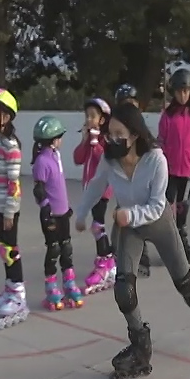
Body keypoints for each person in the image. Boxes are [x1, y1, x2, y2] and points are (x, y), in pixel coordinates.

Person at [74, 102, 190, 379]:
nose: (111, 139)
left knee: (182, 278)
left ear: (135, 134)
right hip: (128, 228)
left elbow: (157, 204)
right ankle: (140, 345)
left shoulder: (155, 160)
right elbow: (96, 185)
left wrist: (130, 213)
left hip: (157, 222)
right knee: (124, 288)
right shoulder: (110, 159)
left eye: (118, 133)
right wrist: (80, 214)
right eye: (108, 133)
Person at [0, 88, 29, 329]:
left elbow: (14, 184)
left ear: (7, 117)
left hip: (9, 208)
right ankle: (9, 288)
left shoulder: (10, 145)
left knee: (11, 250)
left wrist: (10, 211)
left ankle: (19, 295)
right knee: (4, 249)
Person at [32, 115, 85, 310]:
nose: (61, 140)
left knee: (66, 248)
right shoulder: (42, 161)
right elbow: (39, 190)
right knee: (53, 249)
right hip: (50, 215)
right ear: (52, 139)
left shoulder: (56, 156)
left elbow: (59, 186)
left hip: (63, 213)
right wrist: (46, 208)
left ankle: (69, 283)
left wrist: (65, 207)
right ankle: (51, 287)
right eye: (59, 137)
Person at [158, 68, 190, 263]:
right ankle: (170, 241)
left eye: (186, 91)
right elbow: (161, 141)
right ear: (174, 92)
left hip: (188, 170)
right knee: (168, 204)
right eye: (180, 91)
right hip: (170, 170)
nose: (183, 95)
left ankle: (182, 235)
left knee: (183, 205)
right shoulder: (167, 116)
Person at [73, 98, 116, 295]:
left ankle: (105, 262)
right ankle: (107, 260)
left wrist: (95, 142)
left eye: (93, 116)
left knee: (97, 224)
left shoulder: (105, 139)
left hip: (102, 189)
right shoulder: (90, 139)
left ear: (102, 120)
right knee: (96, 225)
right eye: (87, 116)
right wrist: (85, 142)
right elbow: (77, 159)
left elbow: (104, 160)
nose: (89, 120)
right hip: (89, 188)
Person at [113, 83, 152, 278]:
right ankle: (119, 258)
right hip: (123, 181)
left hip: (141, 179)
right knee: (122, 220)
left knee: (140, 219)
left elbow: (152, 149)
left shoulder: (142, 128)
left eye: (132, 104)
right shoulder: (116, 129)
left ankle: (142, 260)